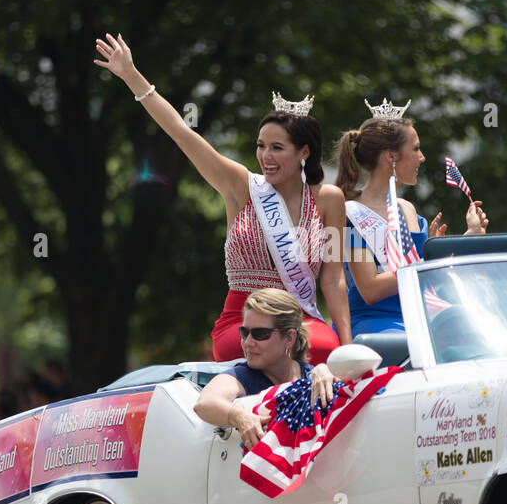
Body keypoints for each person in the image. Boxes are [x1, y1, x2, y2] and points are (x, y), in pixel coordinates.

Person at [93, 33, 351, 364]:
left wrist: (347, 344)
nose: (265, 156)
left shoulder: (329, 200)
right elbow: (181, 132)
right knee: (265, 347)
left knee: (324, 349)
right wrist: (131, 75)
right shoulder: (241, 185)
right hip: (243, 320)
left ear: (304, 152)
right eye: (261, 145)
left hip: (299, 321)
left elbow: (333, 279)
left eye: (277, 148)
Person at [334, 109, 488, 336]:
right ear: (391, 156)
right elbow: (370, 289)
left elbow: (427, 271)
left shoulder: (408, 209)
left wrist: (470, 235)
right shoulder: (350, 213)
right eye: (415, 149)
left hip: (421, 313)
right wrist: (430, 260)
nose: (422, 156)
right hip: (378, 322)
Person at [193, 289, 338, 449]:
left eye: (260, 334)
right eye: (244, 332)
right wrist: (240, 417)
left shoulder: (315, 375)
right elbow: (205, 403)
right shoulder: (243, 375)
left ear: (289, 338)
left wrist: (327, 373)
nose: (248, 342)